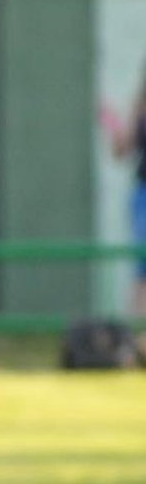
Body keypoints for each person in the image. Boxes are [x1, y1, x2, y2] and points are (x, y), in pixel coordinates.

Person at [109, 61, 146, 316]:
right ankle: (141, 334)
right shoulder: (139, 108)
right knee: (143, 266)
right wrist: (113, 126)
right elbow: (122, 151)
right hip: (144, 193)